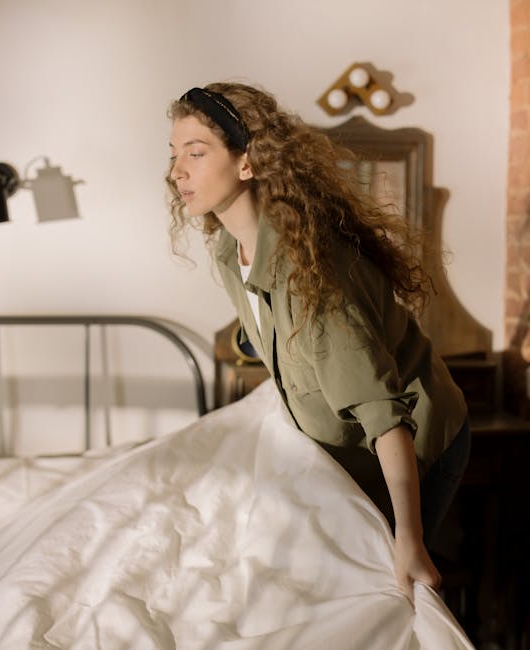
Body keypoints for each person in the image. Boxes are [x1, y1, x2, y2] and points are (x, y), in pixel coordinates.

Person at [165, 83, 471, 602]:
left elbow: (384, 416)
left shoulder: (311, 277)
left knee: (377, 595)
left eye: (195, 153)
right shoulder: (231, 253)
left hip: (412, 447)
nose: (177, 171)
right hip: (346, 453)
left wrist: (410, 539)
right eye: (174, 154)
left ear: (247, 163)